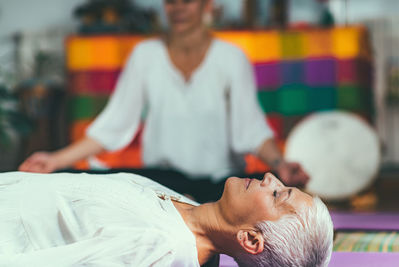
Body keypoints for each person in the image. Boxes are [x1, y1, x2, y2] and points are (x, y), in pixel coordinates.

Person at [19, 0, 309, 199]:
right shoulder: (145, 55)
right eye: (171, 1)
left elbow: (251, 129)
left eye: (188, 1)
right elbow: (113, 126)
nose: (178, 8)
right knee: (75, 179)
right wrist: (55, 160)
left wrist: (280, 163)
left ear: (207, 6)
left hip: (222, 182)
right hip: (161, 181)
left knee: (273, 189)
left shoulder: (231, 58)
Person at [0, 171, 333, 266]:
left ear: (250, 239)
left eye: (277, 195)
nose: (270, 177)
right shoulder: (185, 206)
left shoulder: (160, 246)